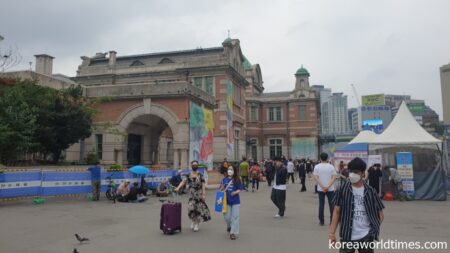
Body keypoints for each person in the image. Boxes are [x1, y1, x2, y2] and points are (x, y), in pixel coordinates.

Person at [329, 157, 385, 252]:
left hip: (366, 237)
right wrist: (331, 233)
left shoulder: (371, 191)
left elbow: (381, 214)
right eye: (350, 171)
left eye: (356, 172)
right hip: (347, 235)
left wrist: (371, 231)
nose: (352, 174)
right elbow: (336, 211)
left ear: (363, 173)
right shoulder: (342, 189)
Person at [175, 161, 211, 232]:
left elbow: (203, 185)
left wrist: (204, 194)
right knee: (191, 209)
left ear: (197, 166)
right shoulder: (188, 175)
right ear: (191, 166)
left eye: (196, 165)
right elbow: (183, 182)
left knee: (197, 210)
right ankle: (193, 221)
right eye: (193, 165)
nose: (195, 166)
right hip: (191, 195)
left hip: (198, 195)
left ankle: (197, 224)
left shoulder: (200, 175)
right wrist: (178, 187)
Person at [313, 153, 337, 226]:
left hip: (321, 189)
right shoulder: (331, 166)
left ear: (320, 158)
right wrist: (328, 186)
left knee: (321, 204)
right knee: (332, 205)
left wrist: (323, 186)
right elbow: (334, 177)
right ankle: (332, 221)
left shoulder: (317, 166)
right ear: (327, 158)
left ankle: (321, 221)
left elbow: (316, 178)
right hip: (330, 189)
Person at [220, 165, 243, 240]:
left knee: (235, 217)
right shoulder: (224, 179)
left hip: (235, 201)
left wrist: (236, 192)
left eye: (231, 169)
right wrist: (222, 187)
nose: (229, 171)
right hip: (226, 201)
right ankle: (229, 225)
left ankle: (232, 233)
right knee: (227, 217)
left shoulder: (237, 179)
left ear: (234, 171)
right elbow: (221, 189)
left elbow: (240, 188)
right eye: (229, 169)